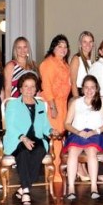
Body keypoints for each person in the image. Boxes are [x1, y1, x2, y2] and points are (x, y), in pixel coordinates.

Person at [3, 73, 55, 205]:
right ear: (20, 89)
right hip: (17, 139)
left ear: (36, 89)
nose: (29, 89)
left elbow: (45, 125)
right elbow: (10, 125)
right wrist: (23, 138)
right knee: (24, 153)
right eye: (26, 86)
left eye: (32, 86)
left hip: (36, 138)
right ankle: (26, 191)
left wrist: (50, 130)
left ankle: (22, 188)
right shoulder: (13, 104)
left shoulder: (40, 104)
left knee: (40, 151)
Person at [62, 75, 103, 201]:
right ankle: (71, 188)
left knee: (91, 152)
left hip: (95, 134)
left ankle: (94, 187)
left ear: (97, 89)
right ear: (82, 89)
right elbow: (67, 124)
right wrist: (78, 132)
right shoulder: (75, 103)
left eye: (92, 88)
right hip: (78, 133)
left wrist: (96, 131)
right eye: (86, 88)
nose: (89, 91)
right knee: (73, 152)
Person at [39, 34, 71, 182]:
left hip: (63, 104)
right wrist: (52, 106)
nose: (63, 49)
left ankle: (61, 169)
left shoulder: (65, 64)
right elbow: (46, 86)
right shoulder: (48, 63)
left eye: (65, 47)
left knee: (62, 137)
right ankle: (56, 173)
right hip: (53, 104)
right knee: (55, 138)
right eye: (60, 46)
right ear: (53, 47)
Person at [69, 30, 94, 97]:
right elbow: (73, 83)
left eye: (90, 42)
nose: (88, 45)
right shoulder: (76, 59)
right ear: (80, 44)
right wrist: (77, 100)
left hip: (90, 93)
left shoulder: (93, 61)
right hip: (78, 93)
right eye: (85, 42)